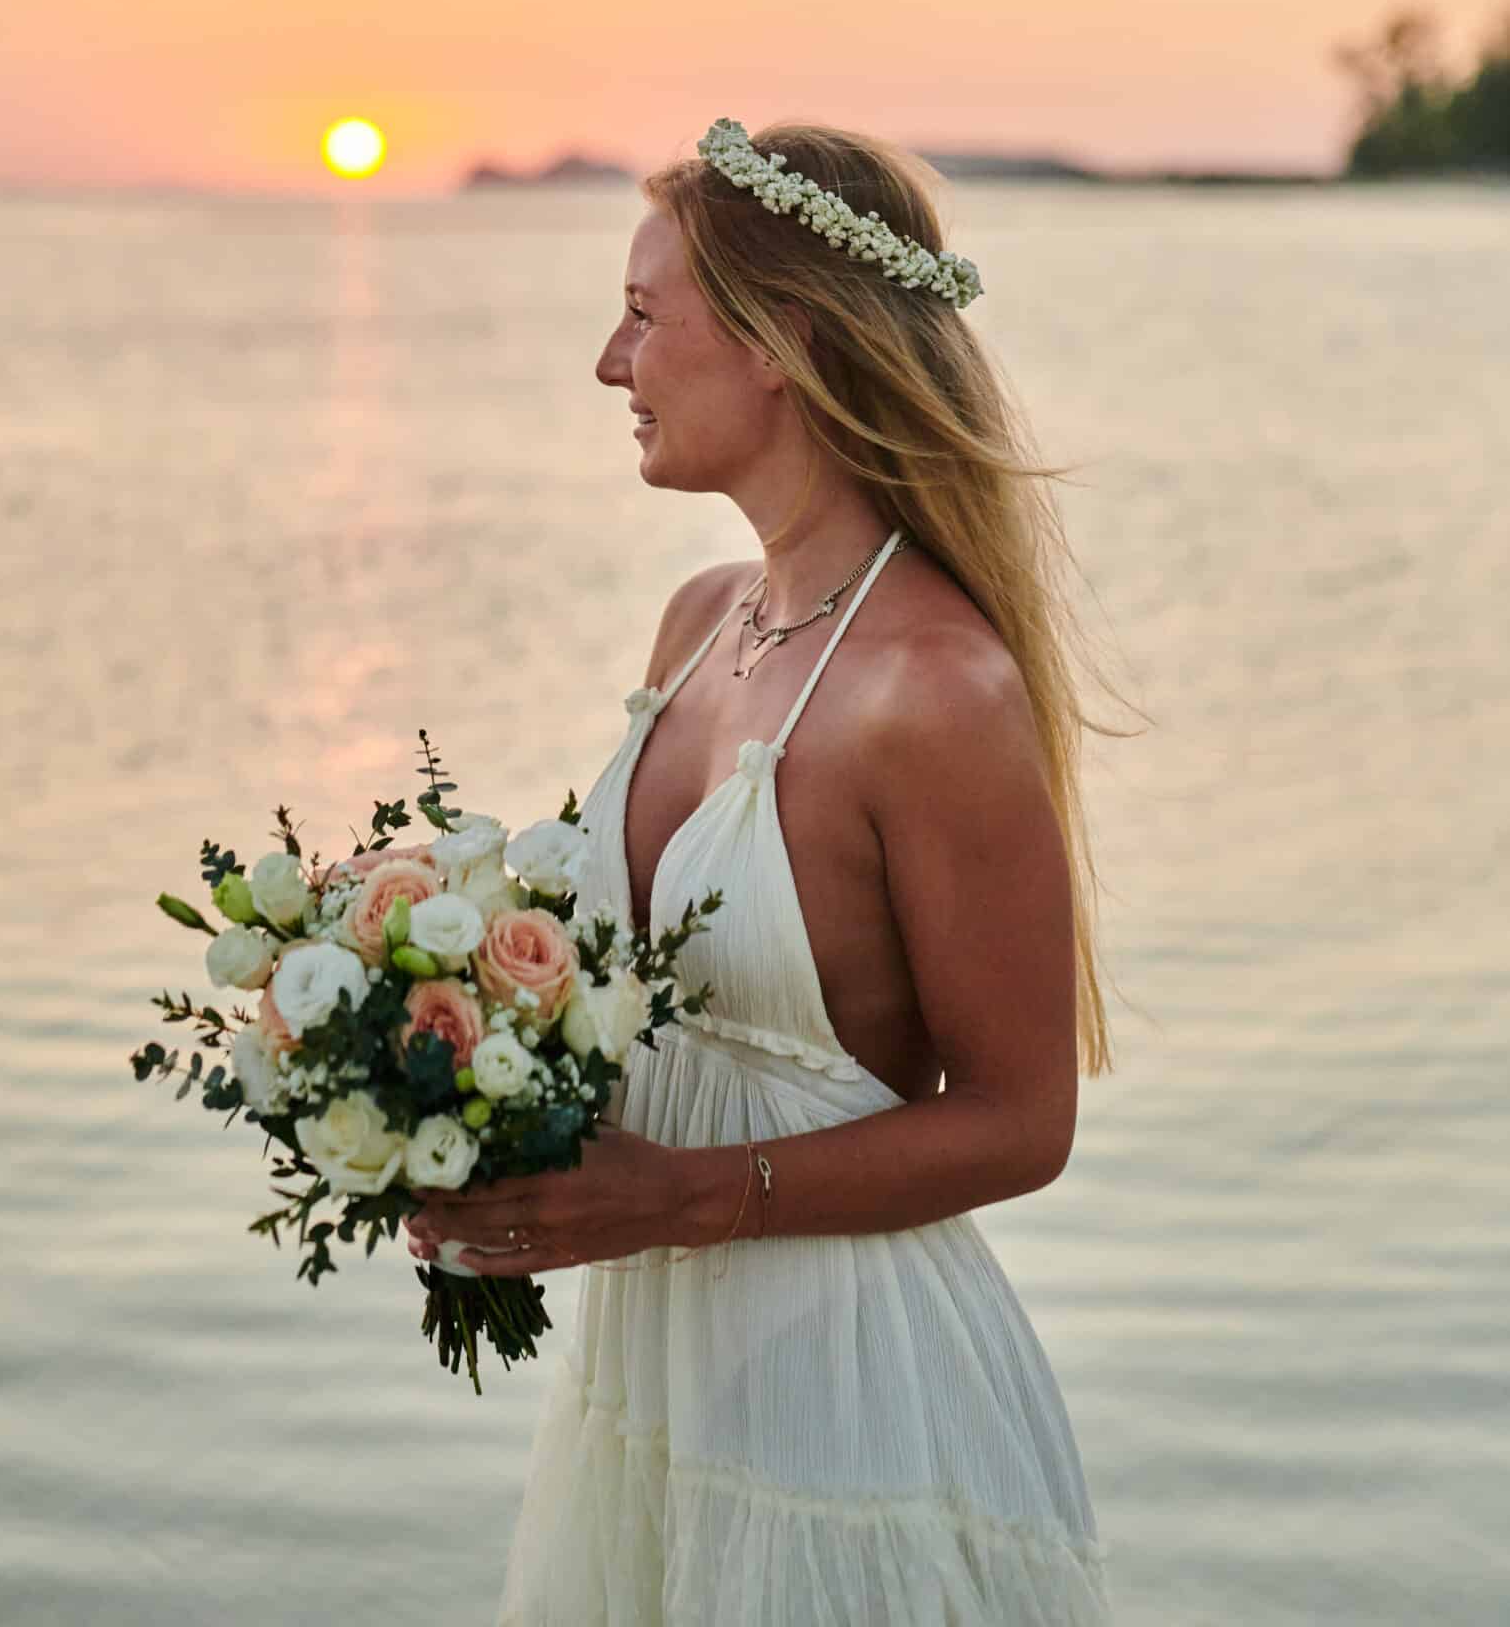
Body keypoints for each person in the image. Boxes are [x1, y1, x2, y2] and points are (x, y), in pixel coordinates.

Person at [405, 116, 1130, 1626]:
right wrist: (463, 1113)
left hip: (849, 1399)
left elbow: (1022, 1120)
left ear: (783, 343)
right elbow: (637, 998)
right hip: (656, 1376)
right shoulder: (698, 621)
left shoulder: (934, 690)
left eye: (646, 317)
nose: (611, 365)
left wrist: (679, 1195)